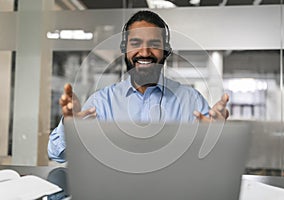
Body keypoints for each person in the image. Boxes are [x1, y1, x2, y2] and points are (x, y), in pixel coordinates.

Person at [48, 10, 229, 163]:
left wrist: (217, 136)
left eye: (154, 44)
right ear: (124, 49)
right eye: (135, 44)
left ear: (166, 51)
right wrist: (70, 127)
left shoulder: (191, 100)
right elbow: (57, 154)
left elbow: (216, 158)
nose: (144, 52)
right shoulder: (102, 102)